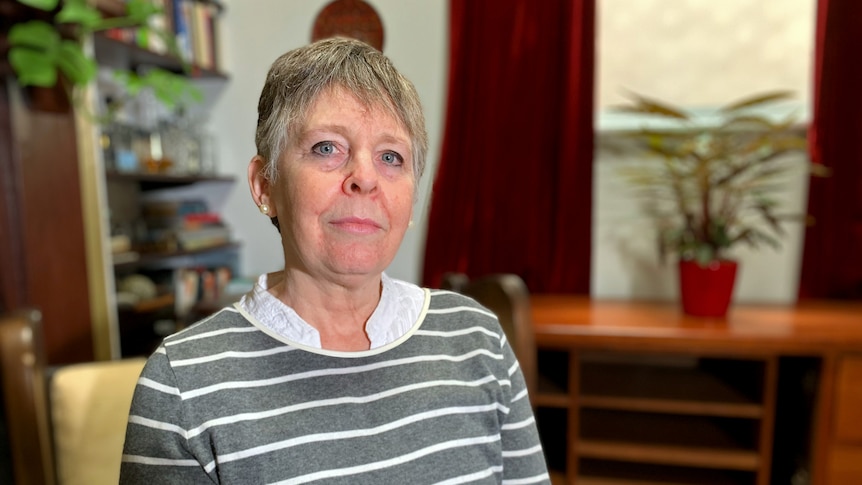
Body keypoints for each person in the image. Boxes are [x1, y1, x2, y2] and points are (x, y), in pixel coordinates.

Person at [120, 37, 550, 484]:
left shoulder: (478, 338)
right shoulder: (181, 386)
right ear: (265, 186)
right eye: (327, 147)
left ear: (414, 199)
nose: (364, 178)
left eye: (391, 157)